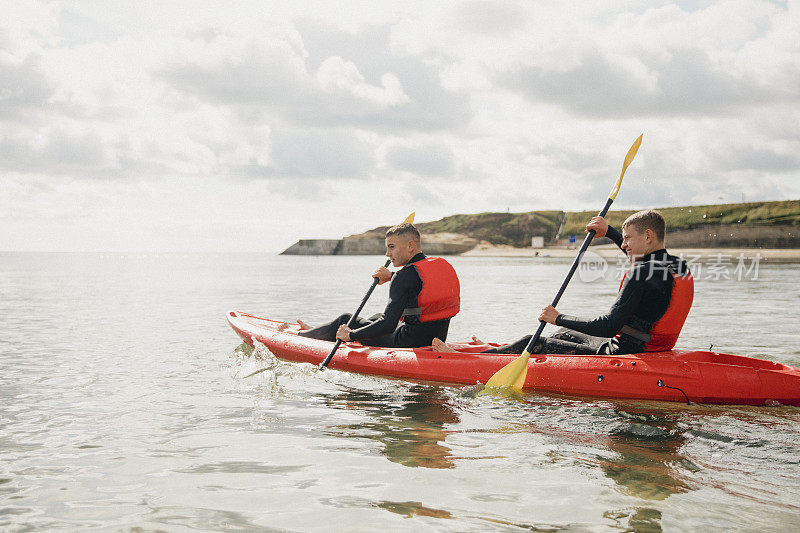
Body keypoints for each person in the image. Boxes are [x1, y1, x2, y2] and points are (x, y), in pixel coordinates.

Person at [433, 209, 693, 355]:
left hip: (623, 352)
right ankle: (495, 350)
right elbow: (640, 258)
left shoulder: (640, 274)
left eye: (627, 238)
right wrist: (610, 232)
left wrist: (557, 316)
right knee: (565, 335)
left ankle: (466, 358)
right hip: (652, 347)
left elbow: (608, 326)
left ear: (648, 236)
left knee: (534, 341)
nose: (623, 245)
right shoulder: (676, 266)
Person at [281, 223, 461, 348]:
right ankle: (321, 332)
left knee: (346, 319)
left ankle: (300, 337)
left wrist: (350, 336)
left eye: (391, 247)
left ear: (410, 246)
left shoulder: (404, 276)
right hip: (434, 338)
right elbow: (418, 284)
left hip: (406, 342)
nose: (387, 253)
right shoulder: (440, 264)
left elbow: (388, 326)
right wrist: (391, 276)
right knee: (375, 317)